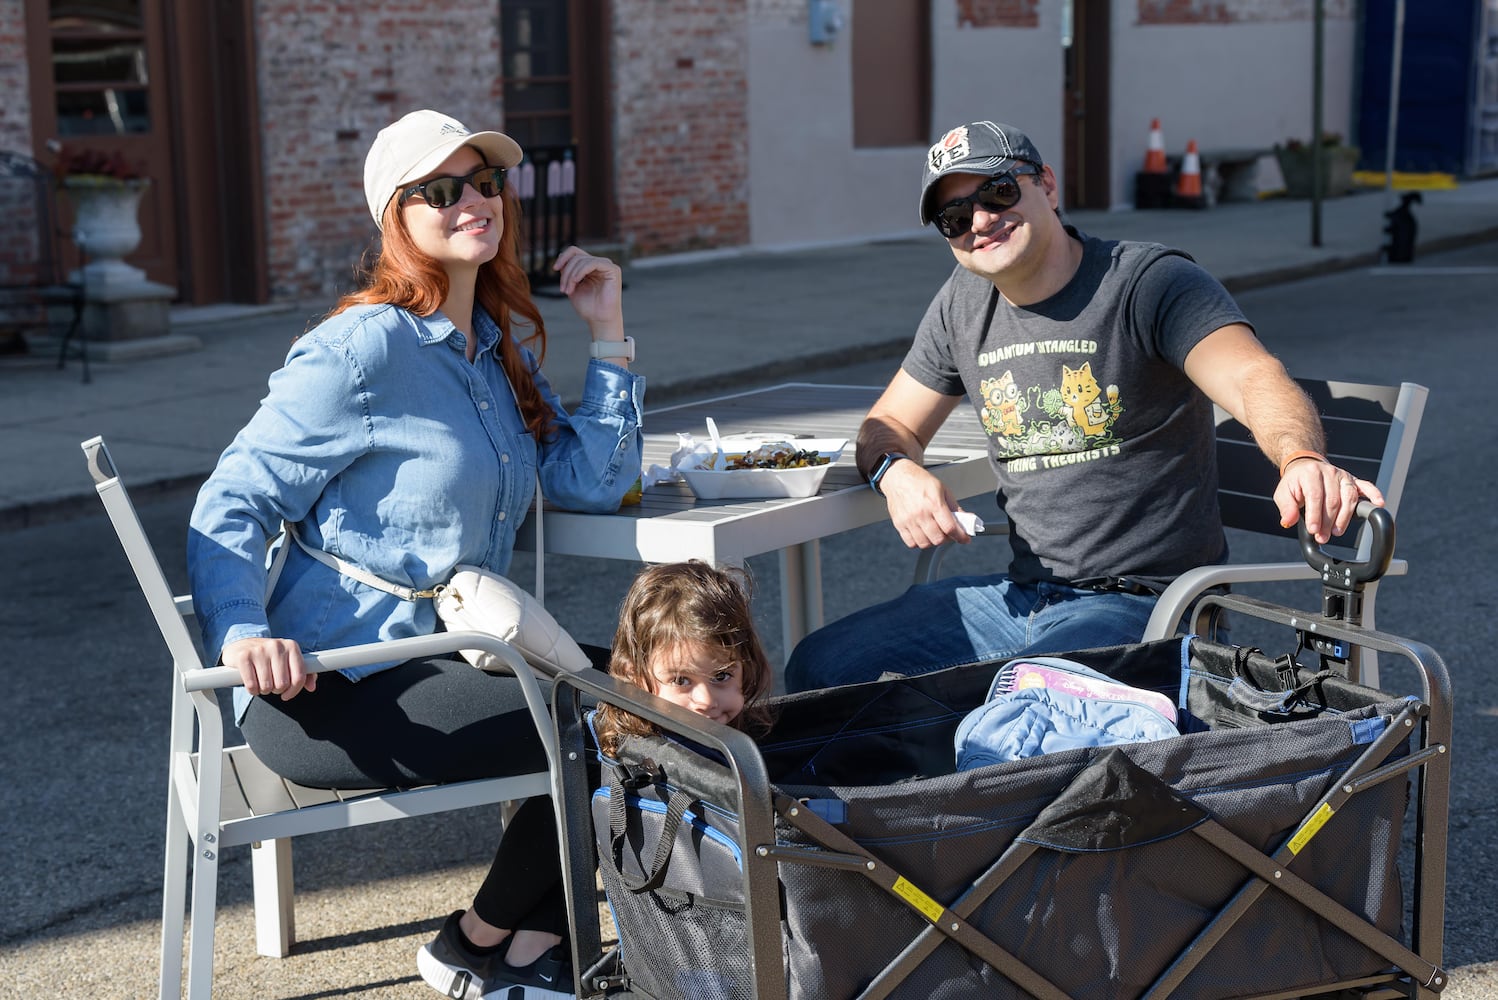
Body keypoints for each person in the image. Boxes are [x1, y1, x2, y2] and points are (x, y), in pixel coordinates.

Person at [185, 109, 643, 997]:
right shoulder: (360, 351)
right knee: (616, 722)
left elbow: (592, 478)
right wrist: (241, 632)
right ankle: (476, 943)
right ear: (399, 216)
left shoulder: (492, 349)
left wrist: (608, 331)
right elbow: (232, 499)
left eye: (485, 182)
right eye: (442, 190)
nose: (473, 200)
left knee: (650, 701)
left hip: (442, 657)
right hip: (330, 683)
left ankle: (517, 950)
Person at [784, 119, 1382, 693]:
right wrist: (897, 472)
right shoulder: (963, 303)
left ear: (1046, 184)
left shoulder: (1148, 283)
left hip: (1144, 604)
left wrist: (1301, 458)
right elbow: (888, 425)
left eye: (997, 192)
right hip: (1023, 596)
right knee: (820, 669)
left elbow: (1253, 375)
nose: (981, 222)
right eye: (954, 216)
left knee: (1029, 706)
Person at [417, 560, 774, 999]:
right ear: (641, 679)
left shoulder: (745, 735)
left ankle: (518, 950)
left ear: (746, 666)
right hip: (396, 671)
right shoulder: (632, 744)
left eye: (722, 676)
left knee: (587, 768)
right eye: (681, 680)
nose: (705, 699)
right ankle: (483, 942)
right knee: (589, 763)